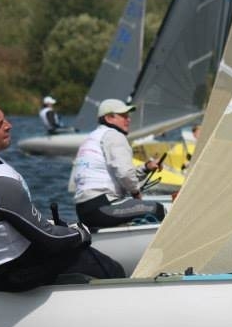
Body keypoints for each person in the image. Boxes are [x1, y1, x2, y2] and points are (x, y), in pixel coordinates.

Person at [0, 89, 125, 292]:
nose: (9, 125)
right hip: (8, 275)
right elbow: (52, 241)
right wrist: (80, 233)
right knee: (112, 268)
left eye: (4, 119)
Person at [71, 98, 166, 229]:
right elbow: (125, 174)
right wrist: (136, 193)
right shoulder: (114, 136)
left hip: (84, 210)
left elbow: (119, 174)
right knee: (158, 209)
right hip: (102, 207)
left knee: (138, 207)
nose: (129, 119)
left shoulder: (92, 137)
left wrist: (146, 167)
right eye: (123, 116)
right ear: (109, 118)